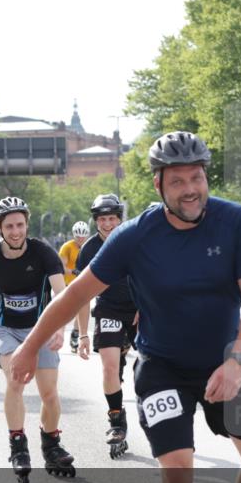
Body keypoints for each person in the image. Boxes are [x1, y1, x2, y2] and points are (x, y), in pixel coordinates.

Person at [9, 131, 241, 483]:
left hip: (227, 359)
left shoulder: (235, 221)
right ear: (159, 185)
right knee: (177, 471)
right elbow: (74, 296)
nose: (190, 188)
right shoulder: (134, 235)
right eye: (177, 181)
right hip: (161, 366)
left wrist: (238, 361)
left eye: (196, 177)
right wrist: (29, 347)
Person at [0, 196, 77, 483]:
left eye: (20, 225)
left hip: (41, 329)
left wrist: (60, 329)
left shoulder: (43, 253)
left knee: (50, 394)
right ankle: (18, 445)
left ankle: (51, 444)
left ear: (27, 224)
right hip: (6, 330)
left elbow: (61, 292)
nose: (15, 231)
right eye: (9, 226)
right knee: (16, 380)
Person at [74, 195, 137, 459]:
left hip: (140, 309)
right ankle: (116, 423)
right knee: (109, 365)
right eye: (102, 219)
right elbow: (81, 295)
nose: (108, 224)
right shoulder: (88, 250)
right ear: (96, 221)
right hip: (109, 309)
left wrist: (144, 307)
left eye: (112, 218)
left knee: (152, 367)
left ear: (120, 219)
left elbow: (153, 277)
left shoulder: (134, 241)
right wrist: (83, 334)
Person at [58, 220, 90, 353]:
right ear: (74, 235)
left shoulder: (90, 246)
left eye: (83, 236)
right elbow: (61, 266)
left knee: (80, 310)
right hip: (68, 283)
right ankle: (58, 335)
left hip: (83, 284)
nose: (81, 239)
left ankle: (76, 334)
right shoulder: (67, 247)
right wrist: (73, 271)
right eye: (78, 237)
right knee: (65, 311)